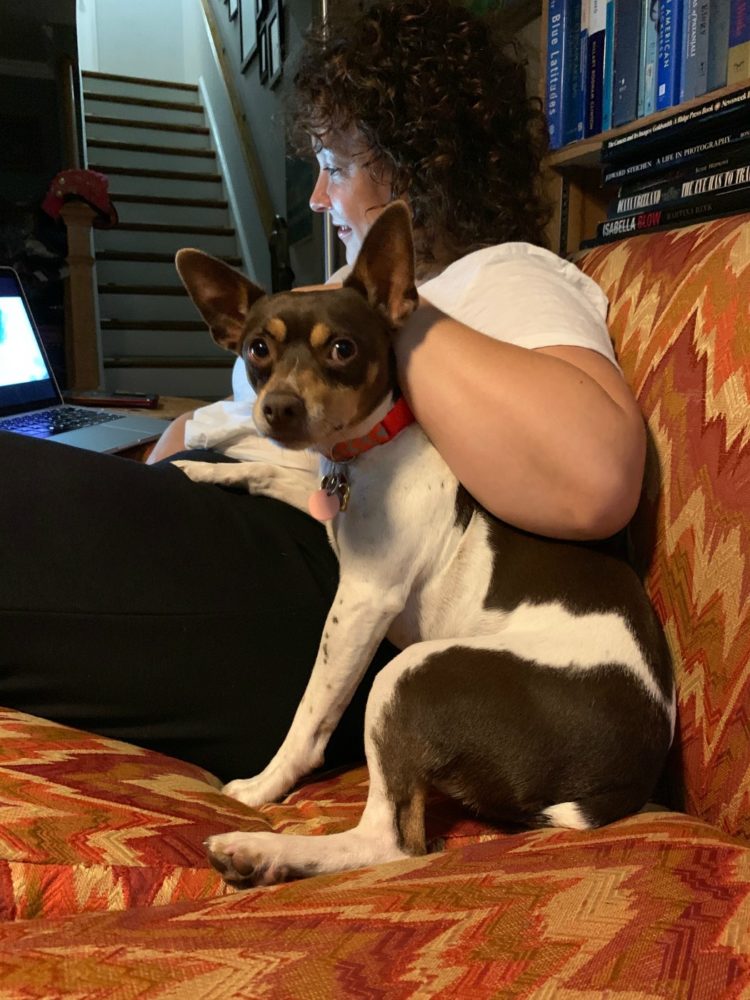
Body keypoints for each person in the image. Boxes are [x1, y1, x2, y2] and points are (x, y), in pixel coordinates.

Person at [0, 0, 645, 783]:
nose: (313, 198)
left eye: (334, 167)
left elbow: (595, 478)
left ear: (422, 170)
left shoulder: (508, 275)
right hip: (229, 531)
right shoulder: (343, 294)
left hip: (317, 595)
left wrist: (391, 310)